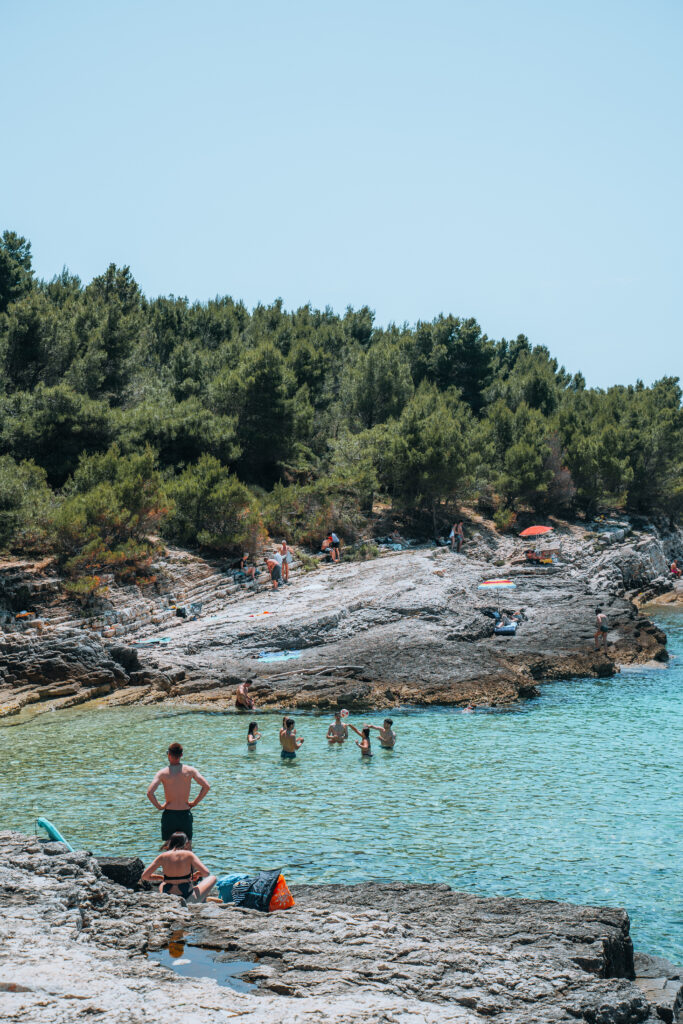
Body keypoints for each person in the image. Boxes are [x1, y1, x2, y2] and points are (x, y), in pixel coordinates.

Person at [146, 743, 210, 843]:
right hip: (185, 814)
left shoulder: (162, 773)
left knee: (169, 849)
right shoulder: (190, 771)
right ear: (181, 755)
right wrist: (194, 803)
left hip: (169, 814)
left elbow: (150, 793)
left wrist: (159, 806)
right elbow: (206, 786)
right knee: (187, 848)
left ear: (168, 754)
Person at [141, 831, 216, 902]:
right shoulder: (189, 854)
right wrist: (197, 874)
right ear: (186, 843)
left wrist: (160, 878)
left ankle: (164, 897)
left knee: (162, 884)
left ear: (170, 842)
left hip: (169, 898)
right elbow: (206, 873)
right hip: (187, 898)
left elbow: (145, 876)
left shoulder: (162, 856)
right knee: (213, 878)